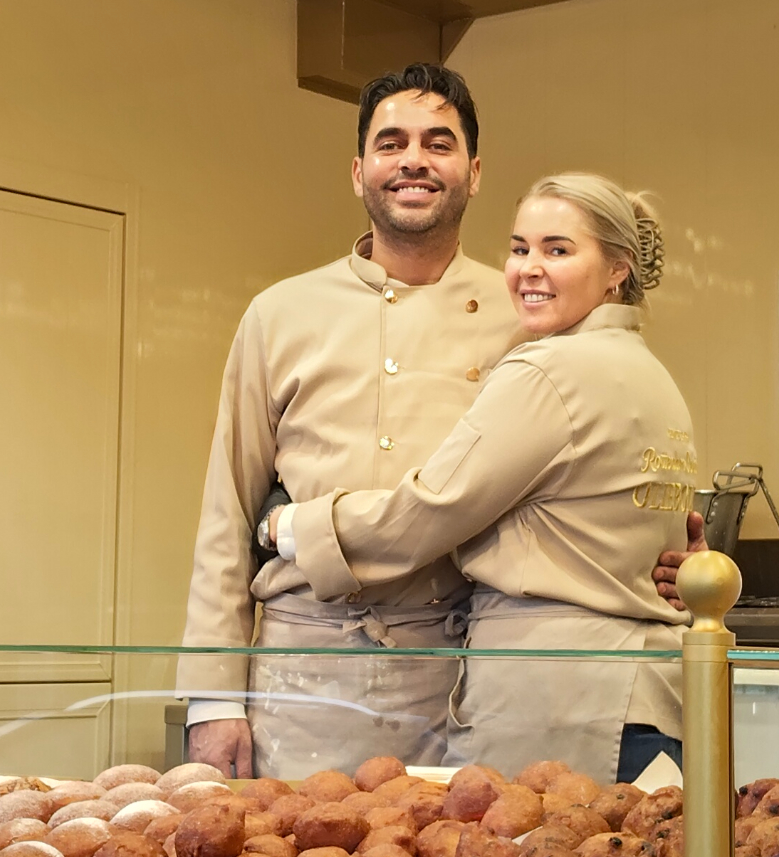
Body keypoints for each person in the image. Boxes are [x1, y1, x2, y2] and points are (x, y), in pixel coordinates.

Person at [177, 63, 705, 779]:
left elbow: (604, 458)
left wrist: (662, 556)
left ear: (474, 172)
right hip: (303, 677)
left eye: (438, 143)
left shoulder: (531, 313)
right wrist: (212, 697)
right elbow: (227, 512)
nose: (413, 161)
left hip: (457, 679)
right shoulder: (279, 313)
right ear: (358, 171)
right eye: (391, 143)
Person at [265, 173, 695, 782]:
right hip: (646, 696)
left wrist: (288, 527)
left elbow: (429, 509)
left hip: (562, 704)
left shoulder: (547, 371)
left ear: (617, 269)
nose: (529, 269)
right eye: (520, 248)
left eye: (558, 250)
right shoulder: (651, 374)